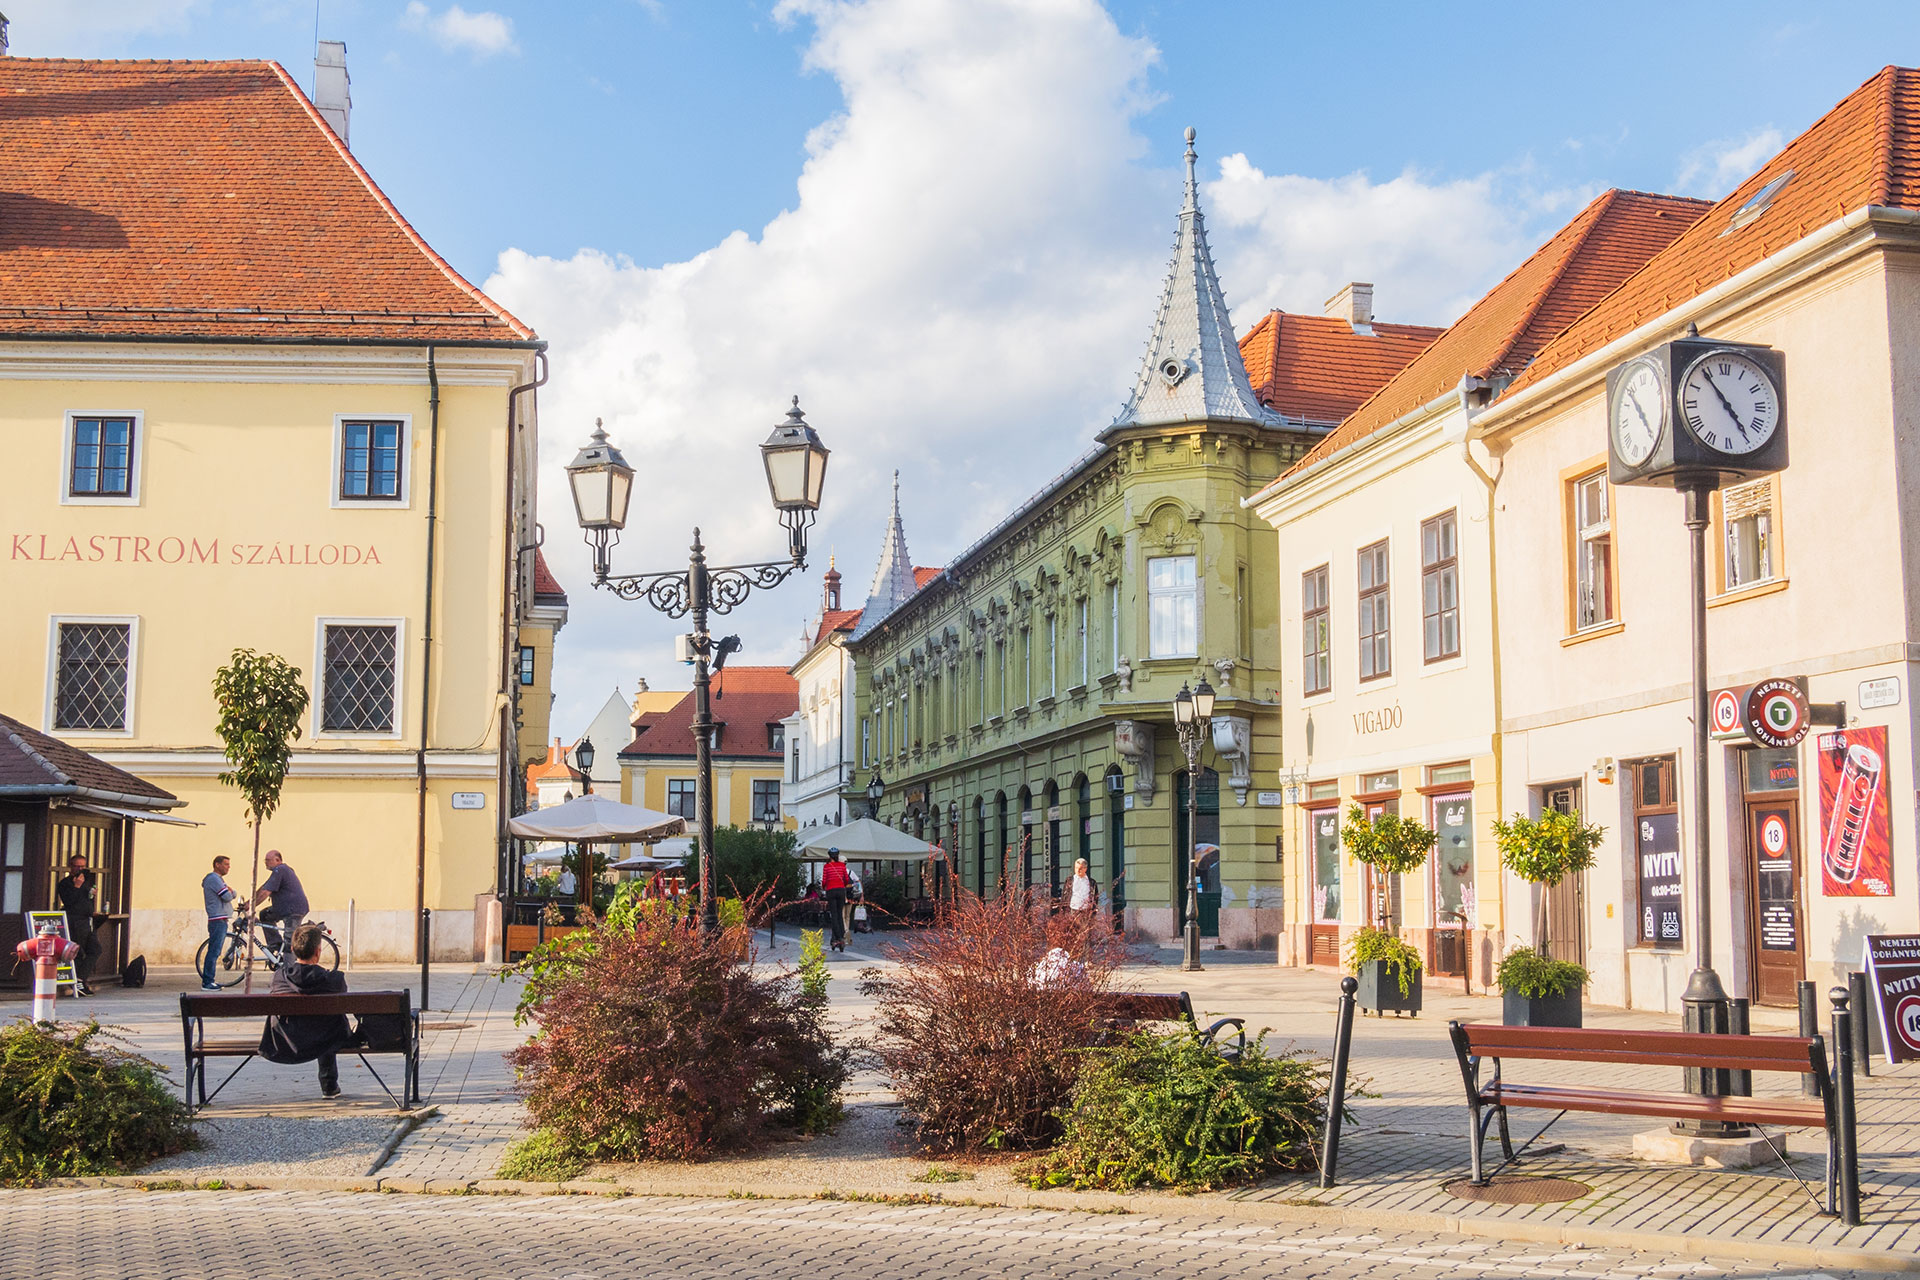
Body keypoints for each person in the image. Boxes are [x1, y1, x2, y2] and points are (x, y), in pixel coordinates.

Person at [260, 924, 356, 1099]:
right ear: (318, 951)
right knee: (326, 1023)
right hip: (326, 1039)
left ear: (292, 949)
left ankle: (329, 1085)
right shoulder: (335, 980)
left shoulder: (279, 977)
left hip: (286, 1042)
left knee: (321, 1023)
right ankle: (329, 1085)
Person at [250, 848, 309, 965]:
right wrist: (249, 902)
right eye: (265, 860)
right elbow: (263, 888)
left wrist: (251, 907)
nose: (266, 863)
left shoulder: (280, 869)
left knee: (289, 942)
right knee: (264, 915)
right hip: (283, 909)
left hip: (293, 910)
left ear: (277, 860)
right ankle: (275, 944)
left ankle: (288, 973)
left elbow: (266, 892)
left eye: (268, 860)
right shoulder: (280, 871)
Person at [54, 856, 102, 996]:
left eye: (83, 867)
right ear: (71, 866)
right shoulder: (65, 884)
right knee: (78, 953)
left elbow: (86, 899)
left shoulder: (86, 881)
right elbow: (69, 901)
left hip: (88, 920)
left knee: (96, 949)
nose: (80, 870)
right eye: (77, 866)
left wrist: (92, 897)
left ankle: (80, 978)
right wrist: (76, 886)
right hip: (74, 921)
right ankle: (79, 983)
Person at [201, 856, 236, 990]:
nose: (228, 867)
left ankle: (209, 980)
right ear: (217, 864)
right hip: (217, 919)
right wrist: (232, 892)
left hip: (219, 919)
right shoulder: (214, 879)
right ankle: (207, 982)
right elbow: (227, 896)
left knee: (215, 950)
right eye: (226, 864)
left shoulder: (217, 879)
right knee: (214, 951)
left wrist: (230, 891)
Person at [821, 848, 851, 952]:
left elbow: (824, 880)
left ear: (829, 856)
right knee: (840, 914)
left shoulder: (827, 867)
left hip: (831, 891)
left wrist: (824, 887)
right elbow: (846, 879)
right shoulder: (842, 866)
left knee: (834, 915)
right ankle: (841, 935)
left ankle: (836, 937)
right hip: (841, 891)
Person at [1068, 857, 1098, 955]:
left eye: (1080, 868)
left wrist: (1094, 910)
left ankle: (1087, 957)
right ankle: (1074, 956)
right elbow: (1065, 895)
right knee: (1073, 934)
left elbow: (1095, 897)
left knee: (1086, 934)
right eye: (1076, 868)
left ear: (1085, 869)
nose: (1078, 870)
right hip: (1073, 910)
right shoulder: (1070, 881)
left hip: (1086, 910)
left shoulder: (1091, 882)